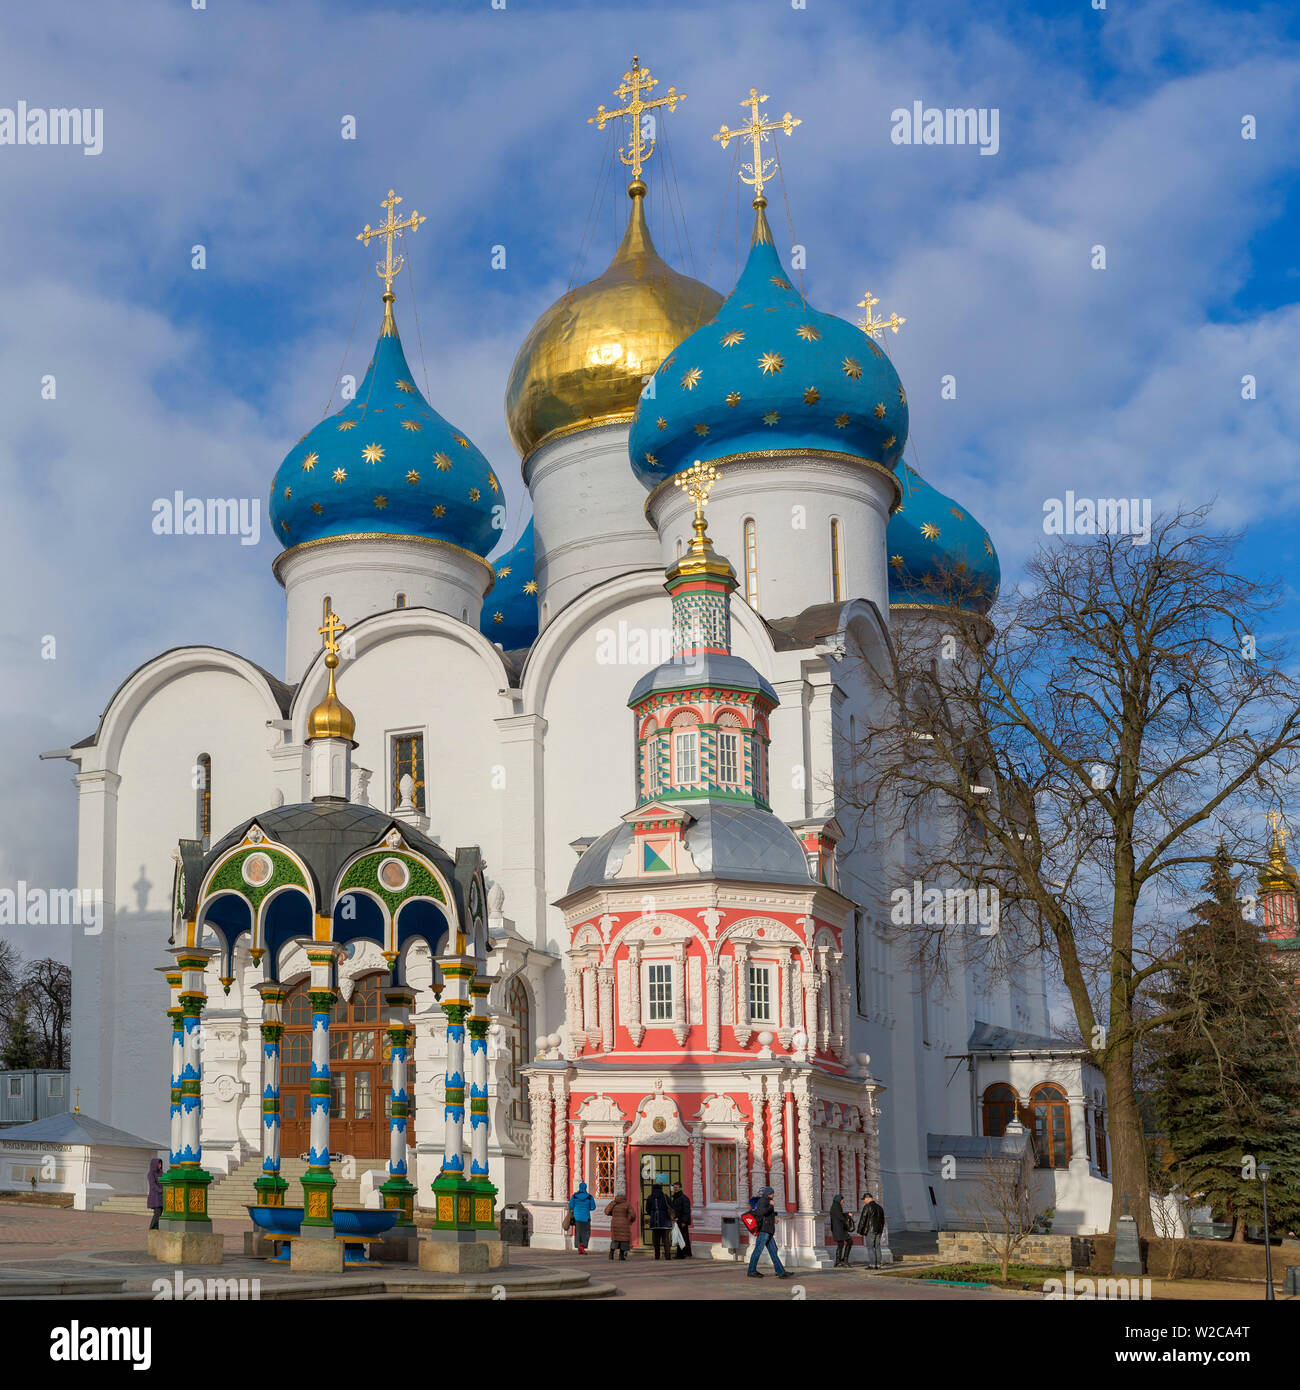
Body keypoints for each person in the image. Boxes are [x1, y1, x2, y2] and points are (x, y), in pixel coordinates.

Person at [747, 1186, 793, 1279]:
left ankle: (781, 1272)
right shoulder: (763, 1201)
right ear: (768, 1194)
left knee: (773, 1251)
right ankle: (751, 1271)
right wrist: (770, 1204)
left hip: (768, 1231)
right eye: (772, 1193)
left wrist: (773, 1218)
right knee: (758, 1250)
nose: (773, 1194)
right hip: (764, 1231)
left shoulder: (766, 1201)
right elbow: (762, 1212)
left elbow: (766, 1214)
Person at [644, 1181, 674, 1260]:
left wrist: (653, 1214)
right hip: (665, 1221)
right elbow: (671, 1206)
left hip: (654, 1221)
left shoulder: (650, 1197)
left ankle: (657, 1256)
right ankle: (668, 1256)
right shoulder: (665, 1196)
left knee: (656, 1240)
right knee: (666, 1239)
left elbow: (647, 1209)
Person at [857, 1191, 886, 1269]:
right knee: (877, 1246)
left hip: (870, 1230)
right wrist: (881, 1229)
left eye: (864, 1199)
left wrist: (859, 1231)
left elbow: (863, 1219)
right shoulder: (880, 1207)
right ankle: (878, 1264)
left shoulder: (867, 1207)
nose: (864, 1201)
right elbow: (882, 1220)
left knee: (870, 1247)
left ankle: (872, 1264)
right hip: (879, 1230)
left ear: (868, 1198)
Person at [605, 1190, 634, 1260]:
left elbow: (606, 1211)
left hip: (615, 1223)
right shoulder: (627, 1204)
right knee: (624, 1239)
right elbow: (633, 1215)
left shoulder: (613, 1203)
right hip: (624, 1223)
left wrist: (612, 1214)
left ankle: (611, 1254)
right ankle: (621, 1256)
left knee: (615, 1239)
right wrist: (631, 1221)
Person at [568, 1181, 596, 1253]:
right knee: (586, 1233)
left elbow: (570, 1206)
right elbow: (593, 1207)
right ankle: (582, 1246)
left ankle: (579, 1246)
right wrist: (587, 1208)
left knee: (578, 1233)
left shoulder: (574, 1196)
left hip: (577, 1218)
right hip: (586, 1218)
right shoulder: (589, 1197)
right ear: (585, 1188)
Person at [829, 1193, 853, 1268]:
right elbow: (840, 1217)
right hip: (839, 1229)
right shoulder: (836, 1207)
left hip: (838, 1229)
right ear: (839, 1200)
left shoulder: (836, 1206)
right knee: (848, 1242)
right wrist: (847, 1219)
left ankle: (839, 1261)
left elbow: (840, 1214)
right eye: (842, 1200)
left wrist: (847, 1214)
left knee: (841, 1244)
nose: (843, 1202)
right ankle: (842, 1261)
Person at [669, 1181, 693, 1258]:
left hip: (681, 1221)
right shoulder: (675, 1197)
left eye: (676, 1187)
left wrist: (684, 1221)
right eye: (674, 1187)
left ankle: (683, 1254)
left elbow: (686, 1211)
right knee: (679, 1237)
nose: (675, 1189)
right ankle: (681, 1254)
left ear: (680, 1188)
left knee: (683, 1237)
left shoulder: (683, 1198)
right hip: (676, 1221)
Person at [146, 1156, 164, 1231]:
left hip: (161, 1197)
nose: (160, 1165)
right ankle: (152, 1228)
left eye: (160, 1164)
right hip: (155, 1196)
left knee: (159, 1213)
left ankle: (156, 1228)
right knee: (157, 1213)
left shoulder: (161, 1172)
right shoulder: (151, 1174)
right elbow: (153, 1185)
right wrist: (161, 1190)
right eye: (158, 1164)